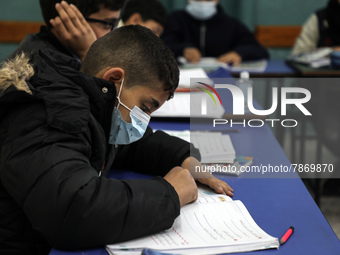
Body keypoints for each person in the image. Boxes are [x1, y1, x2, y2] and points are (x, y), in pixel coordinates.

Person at [0, 25, 233, 254]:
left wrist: (183, 157)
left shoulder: (84, 100)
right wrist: (170, 193)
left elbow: (128, 146)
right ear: (113, 79)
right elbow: (73, 211)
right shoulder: (46, 116)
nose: (143, 120)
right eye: (145, 107)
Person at [10, 0, 125, 62]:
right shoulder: (44, 71)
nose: (113, 33)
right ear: (68, 18)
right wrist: (88, 54)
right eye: (108, 24)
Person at [161, 0, 269, 65]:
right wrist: (183, 49)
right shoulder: (174, 20)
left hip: (222, 80)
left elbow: (260, 51)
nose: (203, 2)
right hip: (183, 79)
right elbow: (161, 47)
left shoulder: (231, 24)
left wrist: (240, 53)